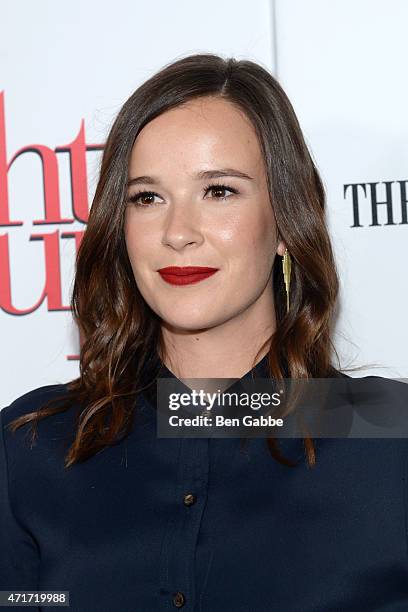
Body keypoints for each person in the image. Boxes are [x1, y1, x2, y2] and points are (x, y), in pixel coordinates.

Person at [1, 53, 408, 612]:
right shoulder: (33, 448)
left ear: (288, 221)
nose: (177, 233)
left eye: (218, 191)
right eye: (147, 198)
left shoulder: (390, 438)